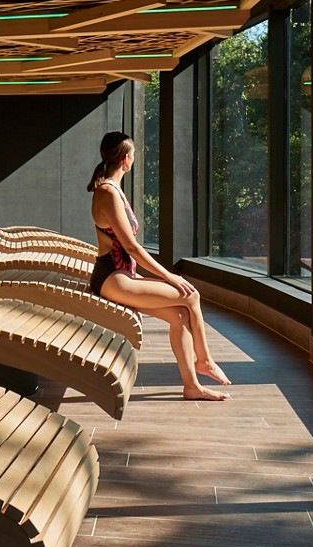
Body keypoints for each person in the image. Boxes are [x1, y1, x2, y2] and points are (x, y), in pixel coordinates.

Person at [87, 131, 231, 401]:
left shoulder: (114, 190)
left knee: (181, 316)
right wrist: (169, 276)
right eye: (134, 155)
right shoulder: (107, 192)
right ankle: (205, 360)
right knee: (192, 295)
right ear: (127, 159)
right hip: (112, 280)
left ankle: (192, 386)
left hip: (122, 276)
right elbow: (131, 247)